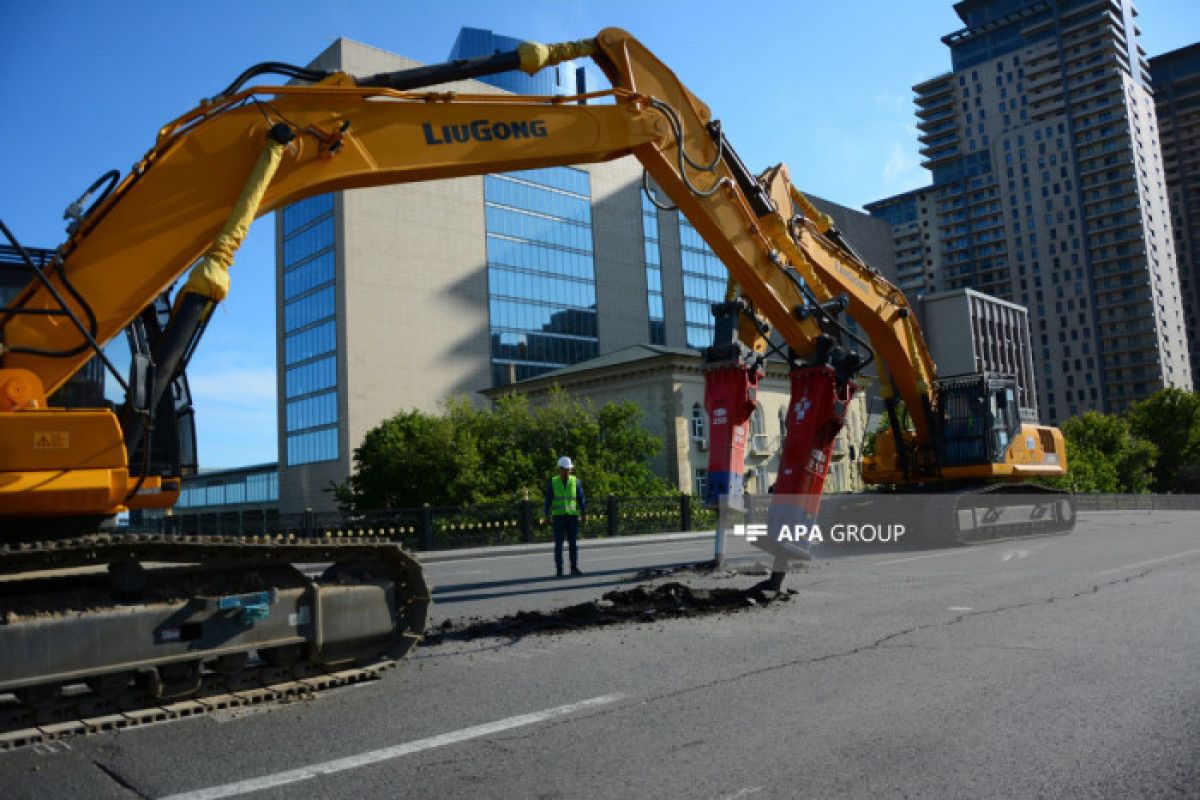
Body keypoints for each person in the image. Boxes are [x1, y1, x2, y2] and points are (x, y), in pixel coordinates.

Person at [544, 455, 586, 577]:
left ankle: (574, 567)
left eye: (569, 469)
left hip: (572, 516)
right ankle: (559, 569)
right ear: (560, 469)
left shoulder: (576, 481)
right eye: (565, 469)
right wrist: (546, 514)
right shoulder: (553, 482)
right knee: (558, 544)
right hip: (559, 517)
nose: (568, 471)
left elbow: (581, 498)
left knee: (573, 544)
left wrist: (583, 513)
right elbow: (548, 500)